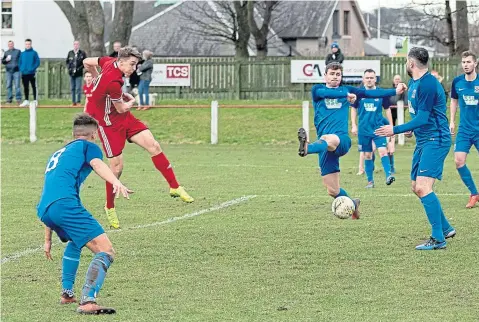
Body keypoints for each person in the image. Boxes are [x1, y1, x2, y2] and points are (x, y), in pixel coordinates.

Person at [83, 47, 194, 229]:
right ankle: (109, 206)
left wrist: (95, 78)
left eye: (136, 64)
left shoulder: (107, 61)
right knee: (116, 170)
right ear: (122, 60)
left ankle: (174, 186)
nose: (134, 68)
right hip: (109, 124)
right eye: (132, 64)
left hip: (125, 119)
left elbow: (86, 62)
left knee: (154, 145)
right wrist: (132, 100)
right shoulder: (113, 80)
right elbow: (121, 108)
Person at [37, 113, 132, 314]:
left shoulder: (58, 153)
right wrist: (116, 182)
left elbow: (52, 190)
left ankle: (67, 293)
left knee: (76, 240)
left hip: (46, 208)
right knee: (105, 250)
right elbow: (98, 164)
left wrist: (48, 238)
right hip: (64, 205)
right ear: (94, 135)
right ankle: (88, 300)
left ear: (74, 133)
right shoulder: (88, 147)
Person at [297, 62, 404, 219]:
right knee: (332, 190)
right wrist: (345, 96)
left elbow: (372, 93)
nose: (335, 77)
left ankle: (307, 148)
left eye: (338, 74)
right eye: (332, 74)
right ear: (325, 75)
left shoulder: (347, 90)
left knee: (329, 138)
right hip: (325, 147)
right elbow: (328, 94)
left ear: (341, 77)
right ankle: (353, 205)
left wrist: (395, 90)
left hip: (341, 140)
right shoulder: (317, 90)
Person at [375, 47, 456, 250]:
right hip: (424, 139)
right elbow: (418, 115)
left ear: (411, 63)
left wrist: (396, 129)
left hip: (436, 139)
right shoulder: (414, 83)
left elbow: (423, 117)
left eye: (406, 62)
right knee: (415, 187)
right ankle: (445, 227)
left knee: (423, 187)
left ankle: (438, 239)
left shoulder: (428, 84)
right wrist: (411, 129)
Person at [351, 69, 395, 188]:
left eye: (371, 77)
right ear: (363, 79)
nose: (369, 80)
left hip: (378, 129)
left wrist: (391, 126)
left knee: (382, 151)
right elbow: (353, 109)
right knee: (368, 155)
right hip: (364, 130)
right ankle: (370, 182)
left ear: (375, 79)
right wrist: (354, 125)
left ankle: (388, 175)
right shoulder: (358, 94)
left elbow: (387, 109)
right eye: (367, 78)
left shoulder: (381, 93)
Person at [449, 50, 479, 208]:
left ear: (475, 63)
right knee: (458, 161)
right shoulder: (457, 82)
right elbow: (454, 101)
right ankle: (474, 194)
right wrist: (452, 121)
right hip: (465, 130)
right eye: (464, 62)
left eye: (469, 62)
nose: (466, 65)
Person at [386, 74, 408, 174]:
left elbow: (406, 100)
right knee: (391, 128)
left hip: (399, 110)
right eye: (396, 79)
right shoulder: (390, 90)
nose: (397, 80)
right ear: (393, 80)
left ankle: (400, 139)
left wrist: (403, 107)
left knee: (399, 127)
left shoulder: (403, 91)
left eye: (399, 79)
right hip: (391, 111)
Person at [19, 38, 40, 107]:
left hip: (32, 73)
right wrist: (21, 69)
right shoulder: (22, 53)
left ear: (31, 44)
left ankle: (35, 100)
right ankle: (26, 100)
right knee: (25, 87)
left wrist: (32, 68)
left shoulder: (34, 53)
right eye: (26, 44)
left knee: (34, 86)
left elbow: (37, 62)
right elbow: (19, 62)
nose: (27, 45)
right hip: (24, 73)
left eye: (29, 44)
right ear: (25, 45)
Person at [66, 40, 87, 106]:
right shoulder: (70, 53)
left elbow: (84, 62)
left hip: (79, 73)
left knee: (78, 88)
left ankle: (78, 101)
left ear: (79, 45)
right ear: (73, 45)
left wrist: (79, 69)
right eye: (75, 44)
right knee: (72, 88)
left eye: (77, 44)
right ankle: (73, 101)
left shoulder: (82, 53)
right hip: (71, 73)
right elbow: (67, 62)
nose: (76, 45)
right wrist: (69, 68)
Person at [2, 40, 22, 104]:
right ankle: (9, 100)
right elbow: (3, 61)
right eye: (9, 44)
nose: (10, 45)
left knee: (17, 86)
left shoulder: (18, 51)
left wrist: (19, 66)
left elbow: (21, 59)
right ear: (8, 45)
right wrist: (6, 60)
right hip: (8, 71)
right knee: (8, 85)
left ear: (13, 44)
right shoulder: (6, 52)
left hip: (16, 71)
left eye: (11, 44)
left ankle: (18, 99)